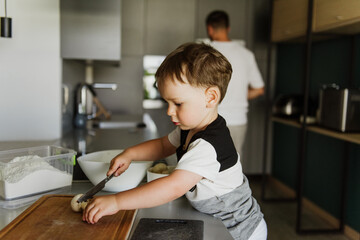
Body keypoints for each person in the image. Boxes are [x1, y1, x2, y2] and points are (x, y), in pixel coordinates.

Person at [83, 43, 267, 240]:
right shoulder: (190, 128)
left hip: (241, 231)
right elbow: (163, 145)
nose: (169, 111)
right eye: (167, 103)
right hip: (217, 221)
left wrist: (117, 202)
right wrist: (130, 154)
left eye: (178, 103)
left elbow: (173, 187)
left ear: (211, 97)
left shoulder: (208, 146)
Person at [204, 10, 265, 155]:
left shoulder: (206, 53)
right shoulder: (246, 54)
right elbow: (259, 89)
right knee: (234, 164)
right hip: (238, 120)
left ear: (210, 29)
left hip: (210, 119)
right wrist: (238, 95)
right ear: (228, 28)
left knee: (206, 163)